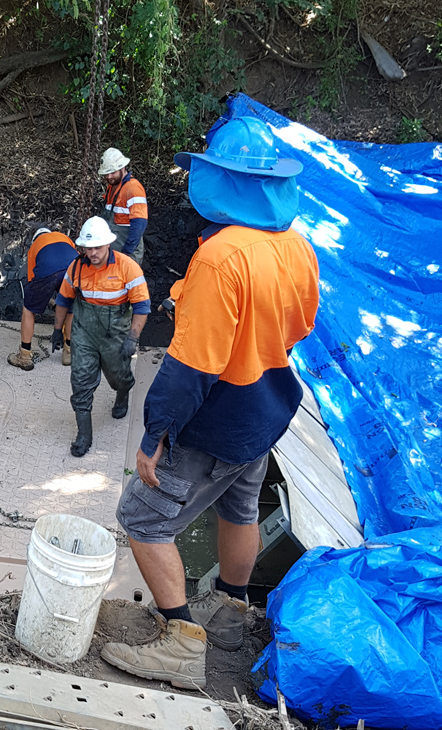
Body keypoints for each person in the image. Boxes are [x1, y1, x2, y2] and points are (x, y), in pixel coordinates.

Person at [100, 116, 320, 690]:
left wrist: (155, 435)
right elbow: (300, 326)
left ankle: (180, 643)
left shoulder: (221, 257)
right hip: (268, 406)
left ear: (222, 181)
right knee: (240, 508)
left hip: (217, 419)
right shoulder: (297, 248)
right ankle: (232, 606)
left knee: (142, 519)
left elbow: (191, 366)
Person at [50, 216, 150, 457]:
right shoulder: (76, 267)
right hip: (84, 331)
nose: (92, 253)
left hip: (115, 331)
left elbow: (142, 306)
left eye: (97, 247)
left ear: (108, 244)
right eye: (88, 247)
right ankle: (84, 435)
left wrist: (132, 339)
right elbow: (64, 299)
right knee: (81, 380)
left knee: (119, 376)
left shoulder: (127, 267)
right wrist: (57, 329)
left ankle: (122, 393)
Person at [8, 228, 78, 371]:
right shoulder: (63, 237)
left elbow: (34, 283)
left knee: (28, 309)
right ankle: (68, 352)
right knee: (72, 309)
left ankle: (25, 356)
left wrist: (42, 301)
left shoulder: (35, 247)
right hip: (75, 269)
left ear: (35, 238)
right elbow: (63, 271)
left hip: (47, 270)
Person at [99, 148, 148, 263]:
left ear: (123, 168)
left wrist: (127, 253)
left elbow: (139, 224)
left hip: (127, 251)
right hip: (114, 249)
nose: (109, 176)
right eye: (106, 173)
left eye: (113, 172)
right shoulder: (111, 188)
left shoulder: (133, 188)